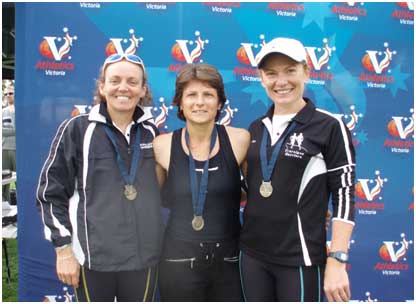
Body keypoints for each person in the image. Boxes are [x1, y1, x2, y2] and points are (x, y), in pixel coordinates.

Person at [36, 54, 164, 301]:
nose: (123, 87)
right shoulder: (77, 129)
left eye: (132, 81)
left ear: (142, 89)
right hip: (93, 259)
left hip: (143, 258)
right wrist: (63, 251)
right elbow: (49, 194)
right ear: (102, 87)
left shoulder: (151, 133)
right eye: (115, 80)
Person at [239, 37, 356, 302]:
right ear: (261, 78)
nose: (281, 82)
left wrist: (337, 259)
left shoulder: (330, 126)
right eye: (271, 74)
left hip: (300, 259)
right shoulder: (256, 128)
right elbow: (252, 188)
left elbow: (345, 195)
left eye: (290, 71)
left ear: (306, 72)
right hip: (251, 256)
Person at [153, 63, 250, 301]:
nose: (199, 102)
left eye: (208, 95)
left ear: (219, 103)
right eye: (191, 95)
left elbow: (262, 195)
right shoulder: (162, 146)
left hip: (229, 260)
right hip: (177, 259)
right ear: (180, 102)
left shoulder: (240, 140)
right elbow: (150, 203)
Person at [2, 85, 16, 203]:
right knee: (4, 182)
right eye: (6, 94)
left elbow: (22, 130)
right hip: (4, 148)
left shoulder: (20, 110)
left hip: (17, 149)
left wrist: (8, 131)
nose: (8, 96)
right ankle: (5, 205)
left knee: (18, 181)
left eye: (10, 93)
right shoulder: (3, 111)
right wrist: (14, 131)